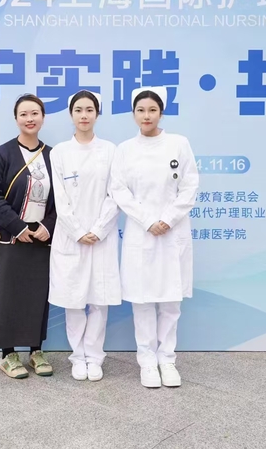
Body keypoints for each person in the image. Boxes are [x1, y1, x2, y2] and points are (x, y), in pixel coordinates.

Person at [110, 87, 199, 388]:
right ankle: (147, 361)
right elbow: (119, 190)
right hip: (141, 231)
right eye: (140, 110)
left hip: (173, 231)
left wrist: (168, 219)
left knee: (171, 302)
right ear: (133, 114)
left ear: (161, 112)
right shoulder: (125, 149)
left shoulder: (178, 144)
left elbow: (190, 186)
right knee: (143, 301)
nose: (146, 116)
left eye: (152, 110)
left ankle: (167, 360)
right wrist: (148, 220)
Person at [49, 90, 120, 382]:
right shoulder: (59, 152)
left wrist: (99, 229)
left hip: (101, 237)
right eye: (78, 110)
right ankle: (78, 357)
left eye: (89, 109)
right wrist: (78, 232)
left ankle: (95, 356)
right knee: (74, 299)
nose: (84, 115)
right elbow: (60, 199)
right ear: (71, 114)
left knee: (99, 301)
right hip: (71, 236)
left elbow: (115, 194)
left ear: (97, 114)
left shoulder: (110, 151)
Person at [0, 94, 57, 379]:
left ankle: (36, 351)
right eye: (24, 114)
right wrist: (18, 227)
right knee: (8, 294)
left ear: (43, 117)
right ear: (16, 119)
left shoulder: (53, 156)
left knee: (38, 295)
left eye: (35, 113)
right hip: (11, 236)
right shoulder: (3, 154)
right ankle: (8, 354)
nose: (30, 118)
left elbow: (63, 200)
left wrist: (47, 226)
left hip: (41, 238)